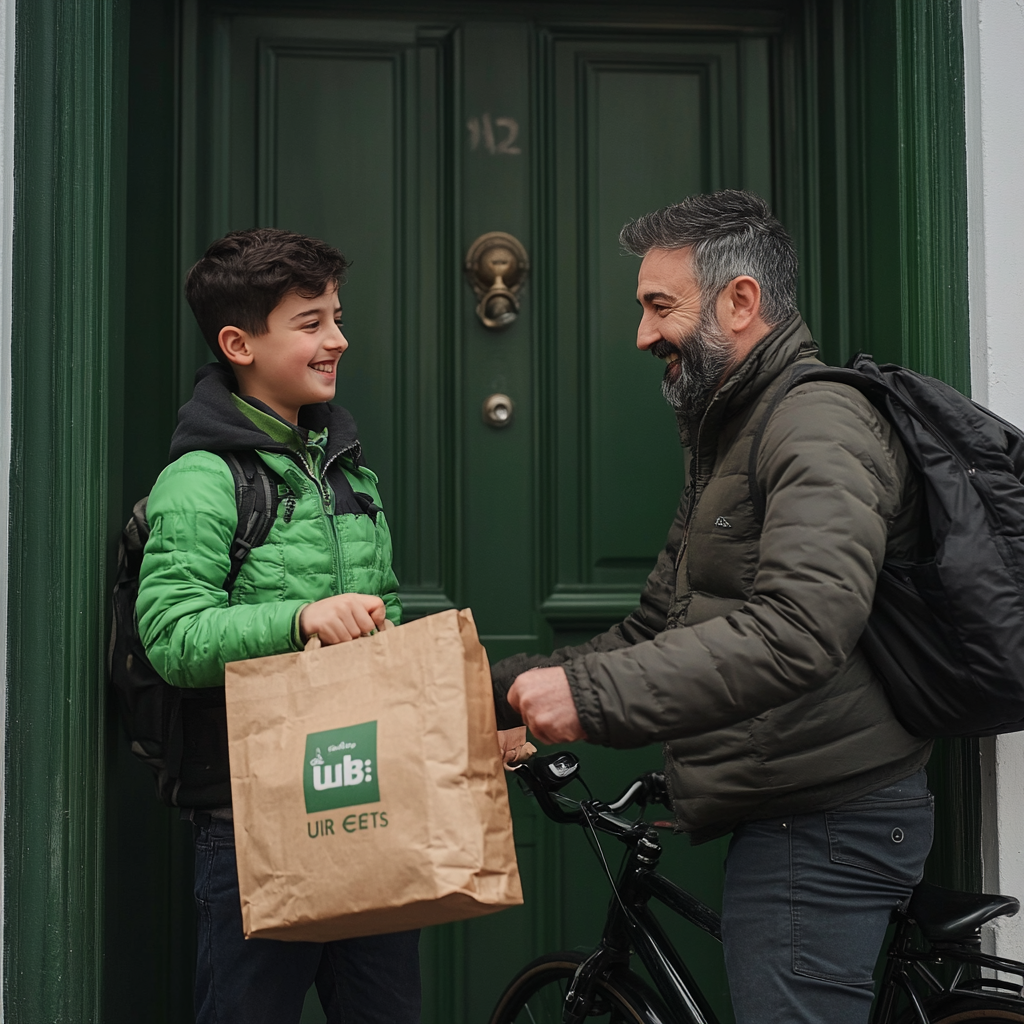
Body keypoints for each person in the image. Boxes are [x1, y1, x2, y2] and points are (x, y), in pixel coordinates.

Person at [492, 190, 934, 1024]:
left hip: (827, 824)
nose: (643, 334)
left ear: (741, 302)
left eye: (661, 306)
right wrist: (499, 690)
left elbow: (802, 630)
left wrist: (584, 702)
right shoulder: (733, 433)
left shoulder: (814, 425)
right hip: (796, 806)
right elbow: (654, 628)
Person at [137, 228, 420, 1024]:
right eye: (311, 322)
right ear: (239, 343)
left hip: (364, 801)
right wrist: (299, 618)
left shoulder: (346, 466)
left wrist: (468, 717)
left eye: (336, 316)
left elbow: (385, 615)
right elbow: (174, 635)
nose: (338, 338)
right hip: (252, 822)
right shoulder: (200, 479)